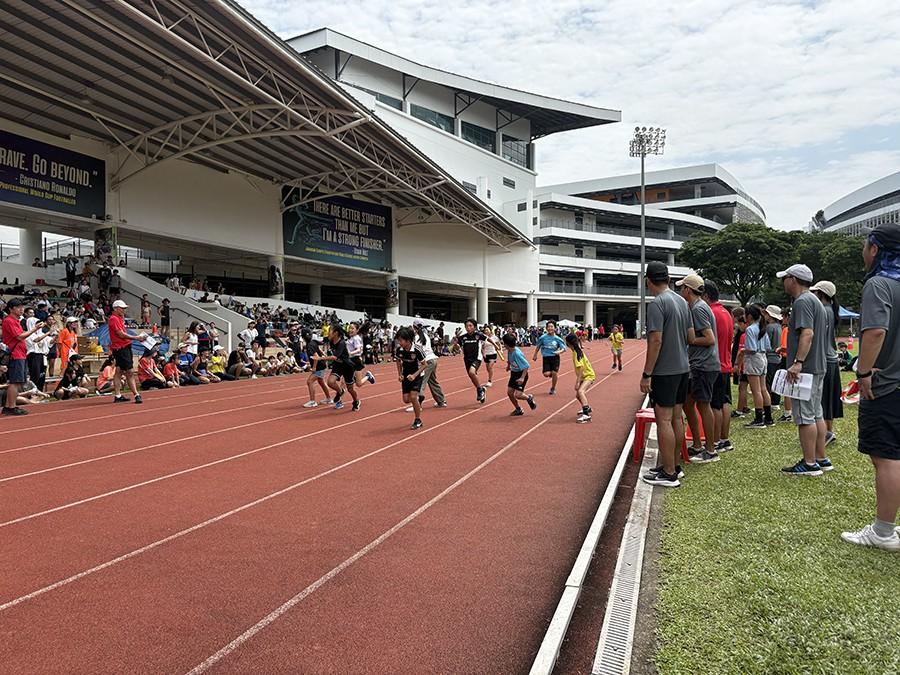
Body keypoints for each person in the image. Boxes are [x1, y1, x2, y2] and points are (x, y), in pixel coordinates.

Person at [842, 222, 900, 550]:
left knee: (886, 457)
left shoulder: (879, 284)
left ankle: (883, 531)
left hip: (886, 384)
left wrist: (863, 372)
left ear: (875, 249)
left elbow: (876, 331)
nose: (863, 252)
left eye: (865, 246)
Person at [777, 264, 832, 476]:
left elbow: (807, 334)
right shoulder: (815, 301)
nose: (783, 282)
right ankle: (820, 458)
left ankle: (809, 463)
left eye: (785, 278)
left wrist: (798, 362)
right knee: (816, 413)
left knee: (804, 416)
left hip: (806, 368)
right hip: (817, 365)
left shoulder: (802, 302)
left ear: (793, 279)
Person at [641, 262, 691, 487]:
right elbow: (690, 335)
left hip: (665, 370)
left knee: (663, 420)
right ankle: (674, 466)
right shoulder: (681, 302)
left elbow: (656, 340)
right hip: (682, 368)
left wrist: (647, 373)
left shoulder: (657, 304)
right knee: (677, 418)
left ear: (648, 281)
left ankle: (669, 472)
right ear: (668, 279)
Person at [677, 274, 720, 464]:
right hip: (699, 364)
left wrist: (691, 339)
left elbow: (709, 339)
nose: (680, 291)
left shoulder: (698, 309)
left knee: (703, 405)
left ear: (688, 290)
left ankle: (710, 450)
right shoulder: (698, 307)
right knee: (688, 403)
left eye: (682, 288)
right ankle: (697, 444)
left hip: (703, 365)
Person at [810, 281, 844, 447]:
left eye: (815, 292)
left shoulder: (823, 311)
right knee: (828, 398)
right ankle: (828, 430)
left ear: (821, 294)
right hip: (831, 359)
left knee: (823, 398)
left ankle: (826, 432)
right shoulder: (831, 310)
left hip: (824, 359)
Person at [703, 281, 735, 453]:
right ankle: (724, 439)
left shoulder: (710, 313)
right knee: (724, 402)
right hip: (725, 363)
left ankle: (714, 441)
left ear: (706, 296)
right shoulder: (726, 312)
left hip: (715, 364)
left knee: (715, 405)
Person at [1, 299, 44, 416]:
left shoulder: (15, 321)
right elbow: (19, 336)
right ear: (11, 309)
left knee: (17, 382)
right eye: (18, 307)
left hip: (20, 353)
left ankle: (9, 406)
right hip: (16, 354)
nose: (21, 309)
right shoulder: (9, 321)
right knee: (14, 382)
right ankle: (11, 407)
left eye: (22, 307)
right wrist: (34, 329)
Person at [108, 299, 148, 404]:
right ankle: (136, 394)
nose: (124, 310)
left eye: (124, 308)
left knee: (119, 371)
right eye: (122, 308)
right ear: (116, 308)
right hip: (121, 348)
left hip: (123, 347)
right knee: (129, 371)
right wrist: (136, 338)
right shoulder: (114, 319)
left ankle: (118, 395)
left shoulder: (119, 318)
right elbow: (121, 334)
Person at [742, 305, 774, 428]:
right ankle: (768, 417)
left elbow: (752, 348)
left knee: (756, 391)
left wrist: (743, 351)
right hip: (763, 357)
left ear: (749, 316)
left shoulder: (750, 329)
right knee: (763, 389)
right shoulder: (762, 328)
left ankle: (759, 419)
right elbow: (768, 346)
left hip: (754, 359)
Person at [395, 326, 428, 430]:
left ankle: (418, 420)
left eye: (401, 340)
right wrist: (400, 374)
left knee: (413, 397)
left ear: (408, 340)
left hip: (417, 376)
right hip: (406, 376)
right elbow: (398, 361)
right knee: (406, 400)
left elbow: (425, 365)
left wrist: (414, 375)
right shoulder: (399, 350)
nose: (399, 342)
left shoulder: (417, 349)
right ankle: (418, 399)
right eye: (398, 340)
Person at [324, 324, 359, 411]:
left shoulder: (342, 343)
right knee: (330, 382)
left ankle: (356, 401)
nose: (328, 333)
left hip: (347, 367)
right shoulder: (331, 341)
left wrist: (320, 358)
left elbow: (335, 356)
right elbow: (320, 342)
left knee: (350, 389)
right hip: (338, 365)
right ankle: (341, 391)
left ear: (336, 333)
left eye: (330, 331)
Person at [413, 319, 446, 408]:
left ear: (414, 327)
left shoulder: (416, 338)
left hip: (427, 361)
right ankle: (441, 401)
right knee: (432, 381)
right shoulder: (426, 336)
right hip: (433, 359)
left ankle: (417, 403)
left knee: (421, 381)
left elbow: (418, 352)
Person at [502, 333, 536, 416]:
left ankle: (529, 398)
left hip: (521, 374)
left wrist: (522, 378)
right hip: (514, 373)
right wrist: (508, 366)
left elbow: (526, 366)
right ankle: (518, 409)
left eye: (504, 343)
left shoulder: (517, 354)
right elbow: (509, 359)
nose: (503, 345)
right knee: (510, 393)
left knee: (518, 395)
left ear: (507, 344)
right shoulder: (510, 350)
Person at [532, 321, 566, 395]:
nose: (550, 328)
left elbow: (564, 348)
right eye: (548, 327)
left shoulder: (557, 338)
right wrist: (535, 355)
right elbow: (538, 346)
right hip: (546, 357)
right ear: (546, 328)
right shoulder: (543, 338)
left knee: (554, 373)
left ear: (555, 328)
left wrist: (559, 351)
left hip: (555, 357)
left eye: (551, 326)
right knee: (546, 374)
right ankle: (551, 374)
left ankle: (553, 388)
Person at [566, 333, 594, 423]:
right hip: (585, 375)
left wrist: (577, 382)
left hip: (588, 375)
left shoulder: (576, 353)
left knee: (581, 392)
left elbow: (581, 367)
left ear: (568, 343)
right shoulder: (577, 351)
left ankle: (586, 415)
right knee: (578, 396)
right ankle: (587, 407)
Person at [459, 318, 487, 404]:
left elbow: (488, 339)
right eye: (466, 326)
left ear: (474, 327)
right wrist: (455, 343)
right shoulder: (463, 337)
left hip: (477, 358)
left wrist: (496, 346)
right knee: (472, 376)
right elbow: (457, 346)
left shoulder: (478, 335)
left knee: (472, 372)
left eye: (470, 326)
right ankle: (481, 390)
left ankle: (479, 390)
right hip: (467, 359)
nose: (468, 328)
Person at [763, 305, 785, 410]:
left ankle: (767, 402)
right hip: (778, 358)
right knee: (776, 381)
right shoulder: (779, 327)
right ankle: (776, 402)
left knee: (767, 382)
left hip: (769, 357)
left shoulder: (769, 327)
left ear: (770, 315)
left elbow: (766, 345)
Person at [302, 330, 331, 407]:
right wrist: (323, 354)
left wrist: (314, 367)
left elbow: (316, 357)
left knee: (310, 381)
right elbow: (319, 349)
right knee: (321, 382)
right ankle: (328, 398)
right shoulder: (313, 342)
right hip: (321, 365)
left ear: (303, 338)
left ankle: (312, 402)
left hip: (319, 366)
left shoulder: (309, 345)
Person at [347, 322, 376, 388]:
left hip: (355, 360)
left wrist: (350, 353)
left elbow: (358, 350)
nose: (350, 330)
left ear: (357, 330)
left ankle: (368, 376)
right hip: (349, 360)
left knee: (358, 384)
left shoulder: (357, 338)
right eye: (349, 328)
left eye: (352, 328)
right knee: (345, 380)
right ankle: (340, 394)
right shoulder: (351, 337)